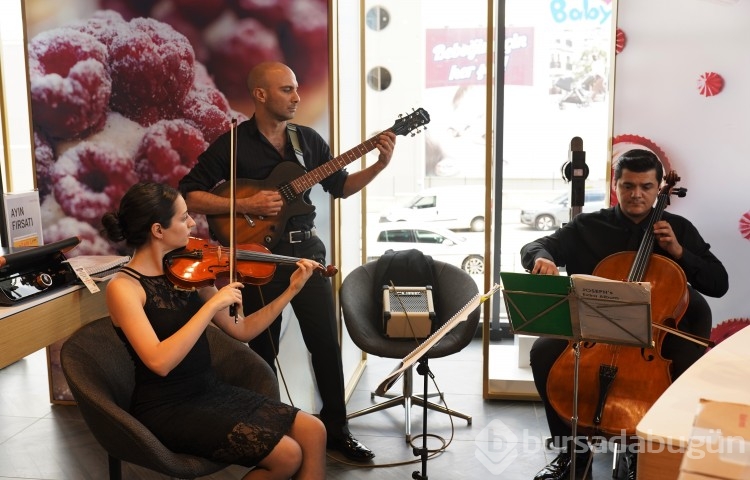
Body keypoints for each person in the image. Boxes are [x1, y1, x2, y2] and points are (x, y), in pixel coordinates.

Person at [178, 61, 397, 461]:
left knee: (327, 346)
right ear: (260, 95)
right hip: (258, 260)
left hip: (306, 257)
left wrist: (379, 165)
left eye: (297, 89)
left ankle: (337, 430)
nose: (297, 97)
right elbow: (189, 194)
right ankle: (264, 431)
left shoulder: (308, 140)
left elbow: (341, 187)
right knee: (261, 351)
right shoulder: (232, 143)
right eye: (286, 90)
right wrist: (244, 202)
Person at [520, 149, 728, 480]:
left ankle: (644, 452)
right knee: (544, 352)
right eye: (628, 185)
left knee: (684, 366)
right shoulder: (587, 226)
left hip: (655, 337)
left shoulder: (678, 229)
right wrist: (540, 259)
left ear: (659, 187)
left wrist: (678, 252)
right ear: (615, 184)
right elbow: (535, 247)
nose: (636, 194)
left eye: (646, 187)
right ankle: (573, 454)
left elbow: (719, 283)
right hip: (593, 332)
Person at [101, 182, 326, 480]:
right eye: (183, 218)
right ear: (158, 230)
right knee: (288, 456)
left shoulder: (189, 268)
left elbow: (243, 329)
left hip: (209, 390)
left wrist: (291, 290)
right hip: (166, 408)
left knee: (315, 430)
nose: (193, 224)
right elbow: (159, 361)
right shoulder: (124, 287)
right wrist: (209, 306)